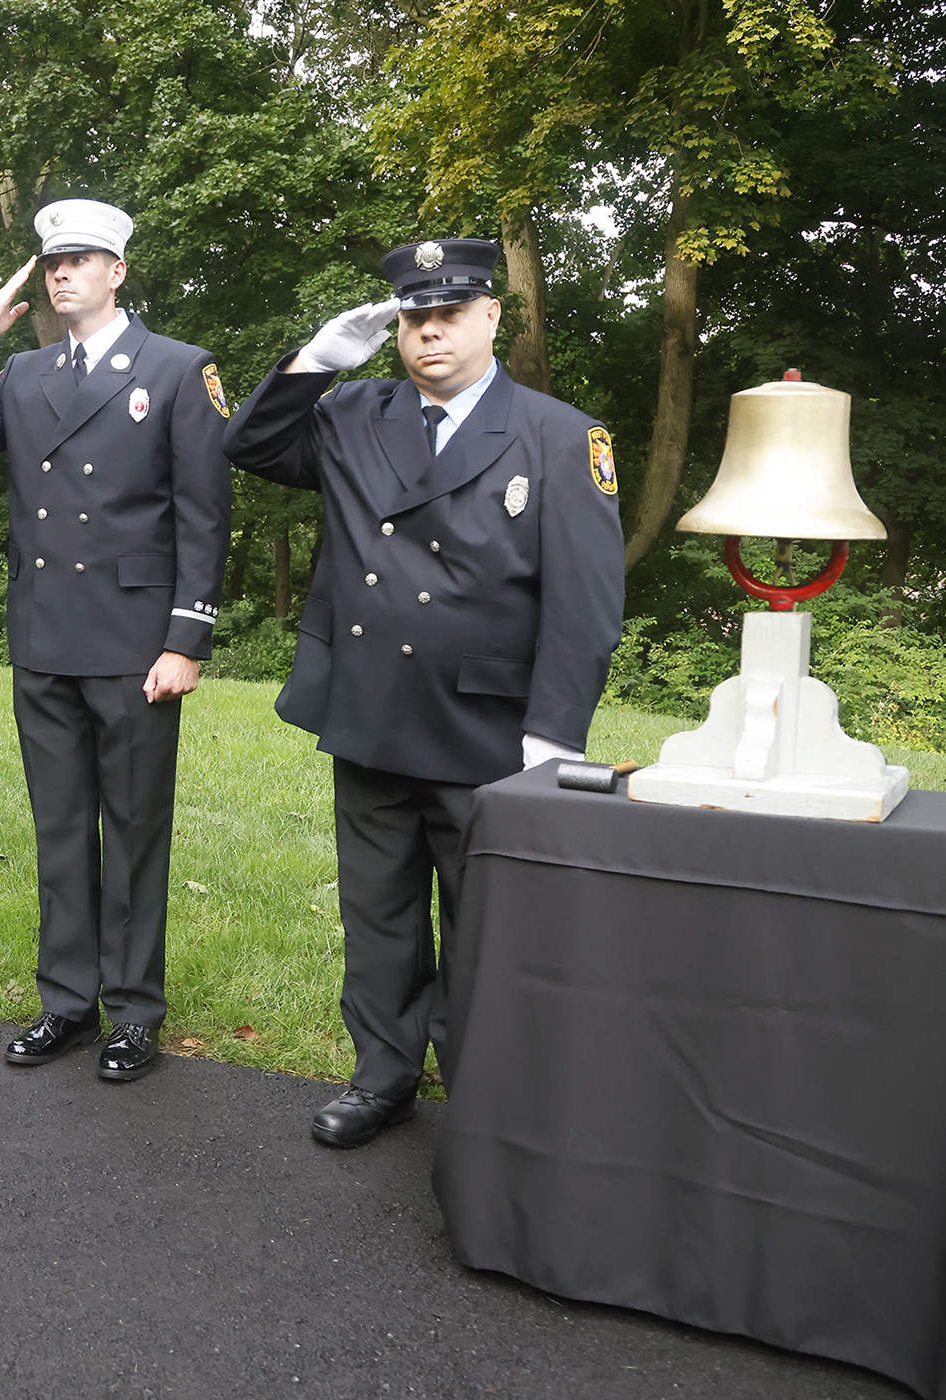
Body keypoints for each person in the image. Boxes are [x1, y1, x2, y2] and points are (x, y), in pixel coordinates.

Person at [225, 237, 625, 1147]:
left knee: (483, 923)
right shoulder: (354, 413)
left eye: (448, 314)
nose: (429, 332)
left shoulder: (561, 435)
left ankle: (483, 1087)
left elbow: (586, 604)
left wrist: (553, 735)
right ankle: (383, 1077)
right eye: (413, 318)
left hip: (485, 726)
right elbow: (247, 443)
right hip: (370, 711)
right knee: (379, 914)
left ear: (492, 316)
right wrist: (317, 360)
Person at [0, 199, 232, 1080]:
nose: (63, 274)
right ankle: (67, 1001)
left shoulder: (177, 370)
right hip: (45, 636)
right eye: (54, 262)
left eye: (82, 259)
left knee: (132, 830)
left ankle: (133, 1011)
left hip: (135, 642)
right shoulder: (21, 376)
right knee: (59, 830)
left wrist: (187, 640)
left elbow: (204, 516)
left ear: (117, 270)